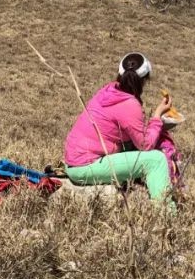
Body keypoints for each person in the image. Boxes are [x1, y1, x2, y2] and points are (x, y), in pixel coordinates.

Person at [63, 52, 174, 202]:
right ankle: (166, 214)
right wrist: (157, 117)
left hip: (74, 161)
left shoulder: (108, 91)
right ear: (144, 80)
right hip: (84, 167)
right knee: (156, 160)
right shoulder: (129, 104)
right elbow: (145, 145)